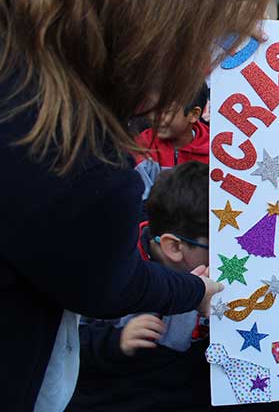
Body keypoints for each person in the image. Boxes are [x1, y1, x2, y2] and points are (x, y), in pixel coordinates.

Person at [0, 0, 278, 408]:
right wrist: (192, 291)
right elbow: (107, 284)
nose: (198, 68)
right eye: (199, 42)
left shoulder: (25, 80)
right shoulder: (78, 161)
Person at [68, 161, 212, 412]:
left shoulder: (223, 270)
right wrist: (116, 341)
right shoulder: (104, 266)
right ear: (174, 247)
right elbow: (67, 345)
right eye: (217, 246)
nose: (231, 257)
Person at [135, 83, 210, 199]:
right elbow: (140, 203)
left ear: (194, 114)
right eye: (152, 109)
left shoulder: (215, 152)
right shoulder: (142, 148)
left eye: (166, 112)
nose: (154, 118)